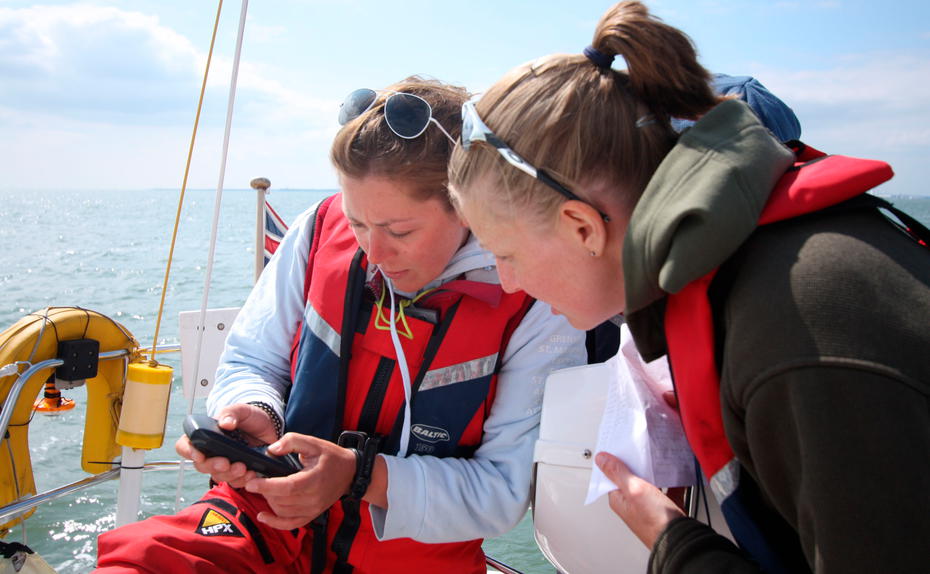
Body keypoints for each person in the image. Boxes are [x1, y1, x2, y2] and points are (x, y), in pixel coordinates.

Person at [447, 2, 930, 573]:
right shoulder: (755, 276)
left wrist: (677, 548)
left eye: (505, 254)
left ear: (582, 227)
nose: (508, 283)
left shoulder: (803, 331)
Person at [94, 77, 587, 574]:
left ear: (468, 206)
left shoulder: (534, 299)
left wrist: (359, 476)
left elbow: (501, 493)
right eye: (357, 223)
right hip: (263, 520)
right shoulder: (316, 229)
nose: (372, 251)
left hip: (413, 559)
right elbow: (250, 357)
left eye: (400, 231)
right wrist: (255, 411)